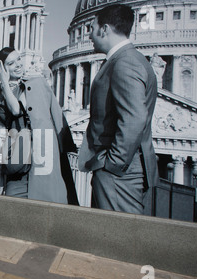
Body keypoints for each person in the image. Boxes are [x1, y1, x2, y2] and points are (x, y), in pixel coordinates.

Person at [78, 4, 159, 214]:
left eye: (92, 28)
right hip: (123, 171)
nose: (89, 35)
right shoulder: (131, 59)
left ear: (104, 29)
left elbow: (134, 119)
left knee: (117, 240)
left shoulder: (124, 63)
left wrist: (112, 164)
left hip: (119, 174)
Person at [0, 47, 78, 205]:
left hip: (43, 157)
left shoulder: (37, 83)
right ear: (2, 68)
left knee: (46, 205)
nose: (18, 65)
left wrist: (66, 148)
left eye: (18, 59)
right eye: (11, 63)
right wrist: (4, 82)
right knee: (14, 207)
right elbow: (15, 110)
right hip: (19, 159)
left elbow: (57, 115)